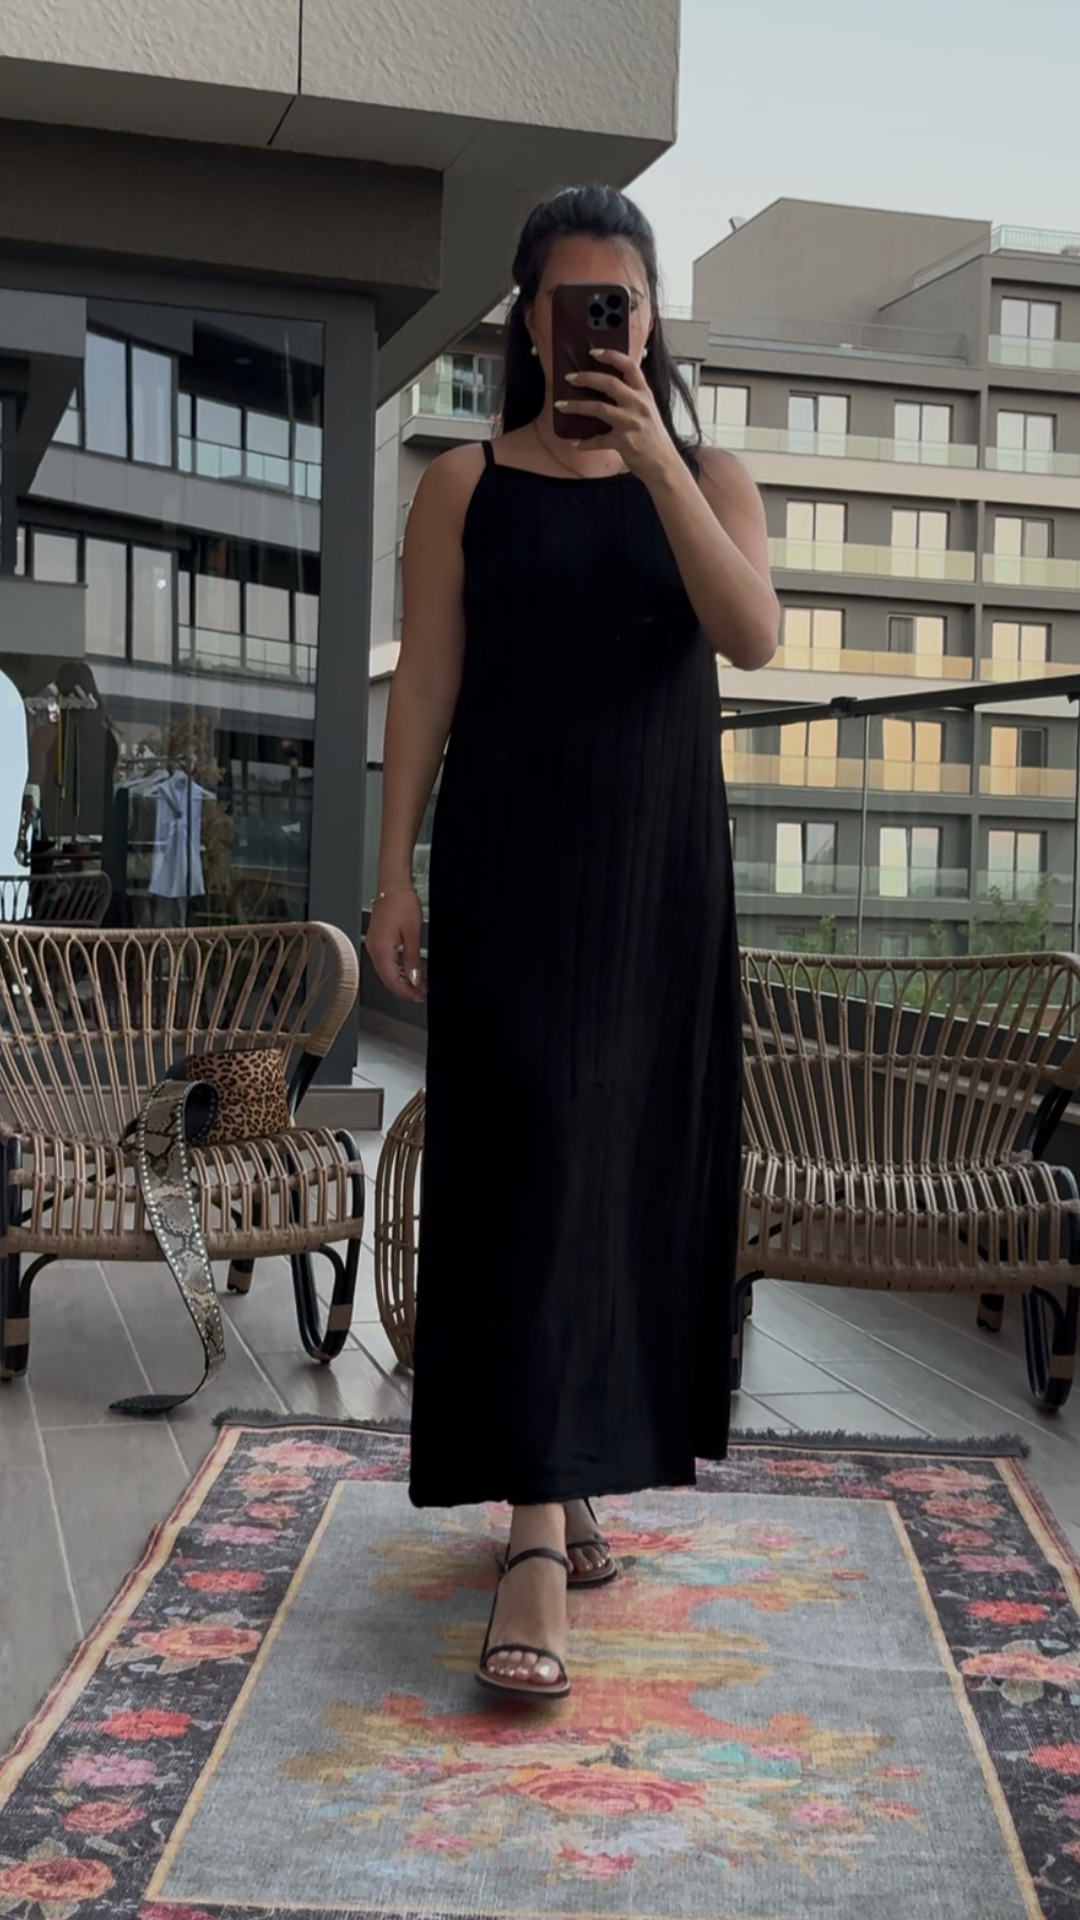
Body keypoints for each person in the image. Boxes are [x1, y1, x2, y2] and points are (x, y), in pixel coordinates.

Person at [365, 184, 779, 1700]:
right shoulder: (464, 485)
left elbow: (752, 633)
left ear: (651, 321)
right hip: (511, 874)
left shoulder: (709, 476)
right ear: (528, 323)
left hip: (660, 885)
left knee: (621, 1173)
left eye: (625, 303)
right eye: (571, 303)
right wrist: (392, 876)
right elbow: (425, 687)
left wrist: (656, 458)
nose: (599, 326)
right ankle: (535, 1530)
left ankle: (575, 1467)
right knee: (530, 1161)